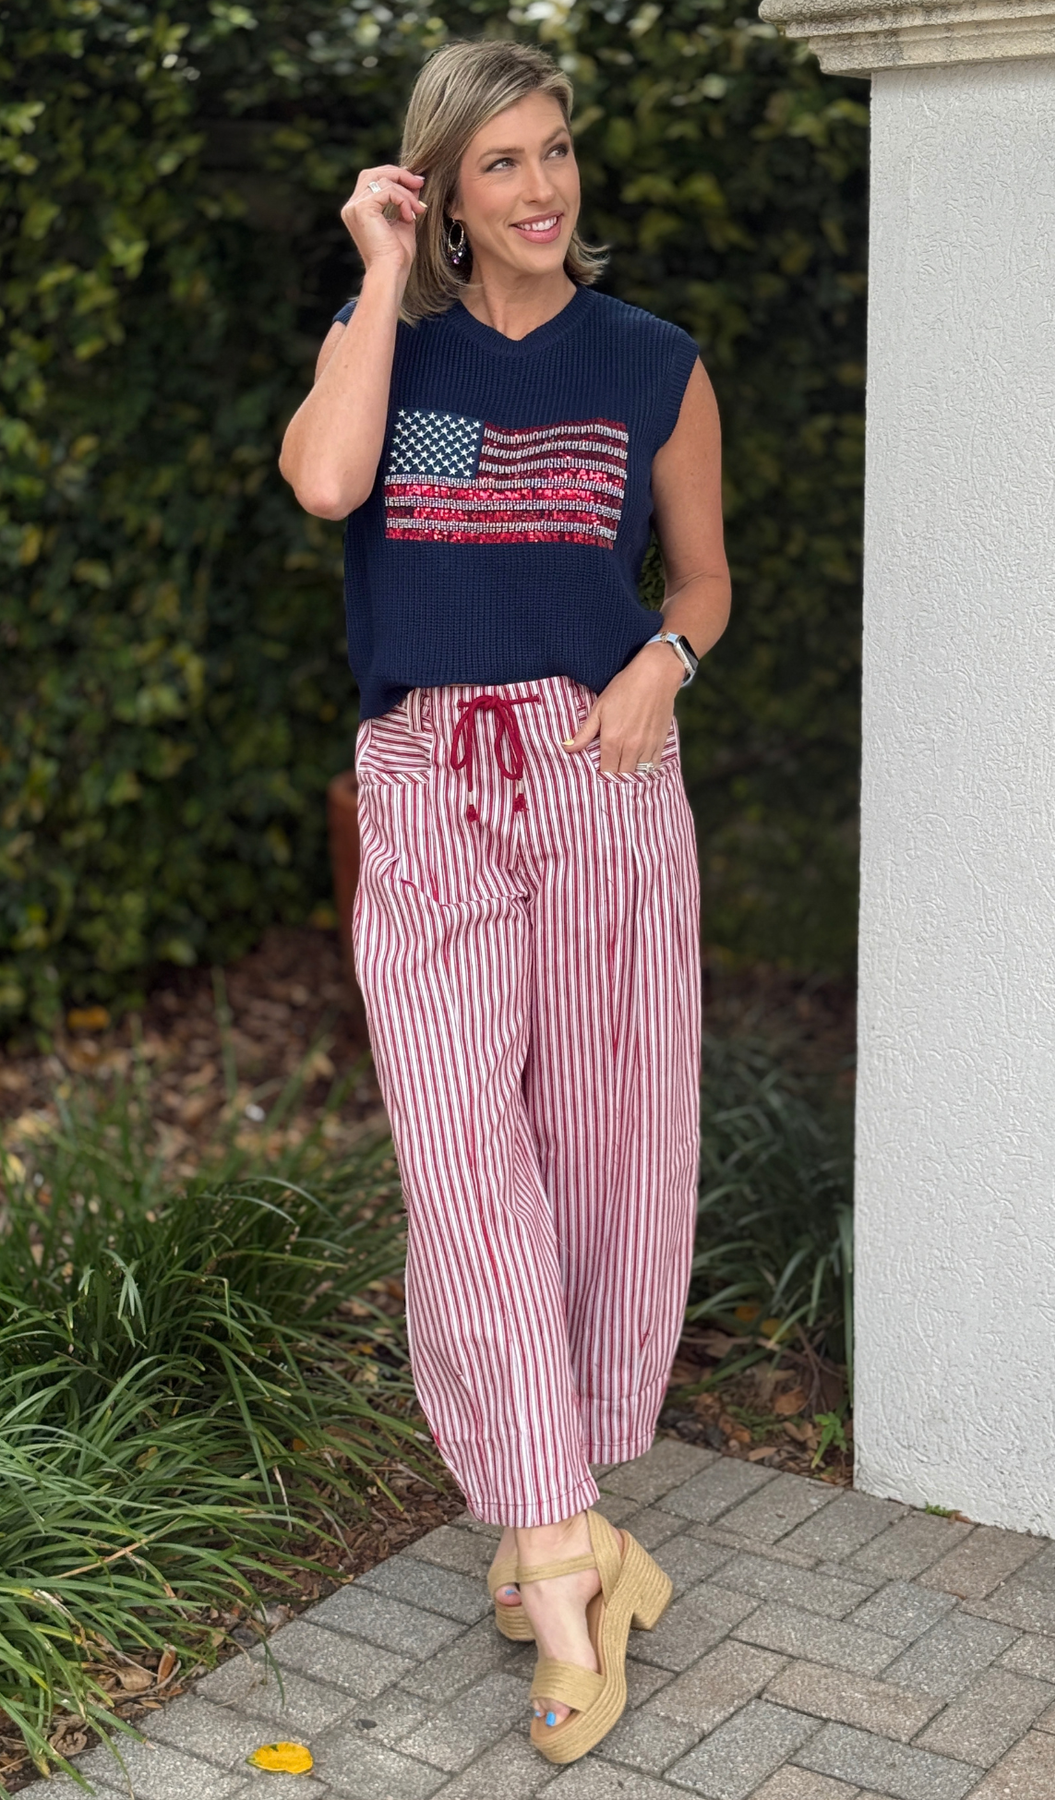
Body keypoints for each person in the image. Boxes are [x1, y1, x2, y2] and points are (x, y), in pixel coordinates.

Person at [279, 37, 729, 1764]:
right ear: (445, 191)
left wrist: (664, 667)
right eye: (500, 166)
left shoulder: (651, 363)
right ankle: (562, 1567)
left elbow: (701, 575)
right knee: (460, 1155)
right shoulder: (389, 347)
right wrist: (376, 280)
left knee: (609, 1150)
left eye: (556, 155)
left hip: (599, 774)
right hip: (430, 785)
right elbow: (329, 484)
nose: (541, 190)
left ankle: (562, 1509)